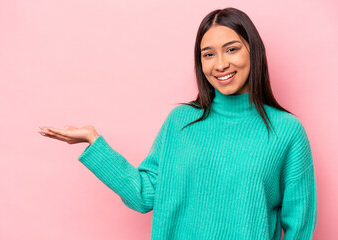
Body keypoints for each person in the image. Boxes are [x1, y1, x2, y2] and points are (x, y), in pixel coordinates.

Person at [39, 7, 317, 239]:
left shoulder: (286, 131)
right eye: (208, 54)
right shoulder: (180, 122)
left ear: (252, 51)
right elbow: (143, 195)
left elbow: (299, 226)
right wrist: (94, 142)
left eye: (231, 49)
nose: (220, 64)